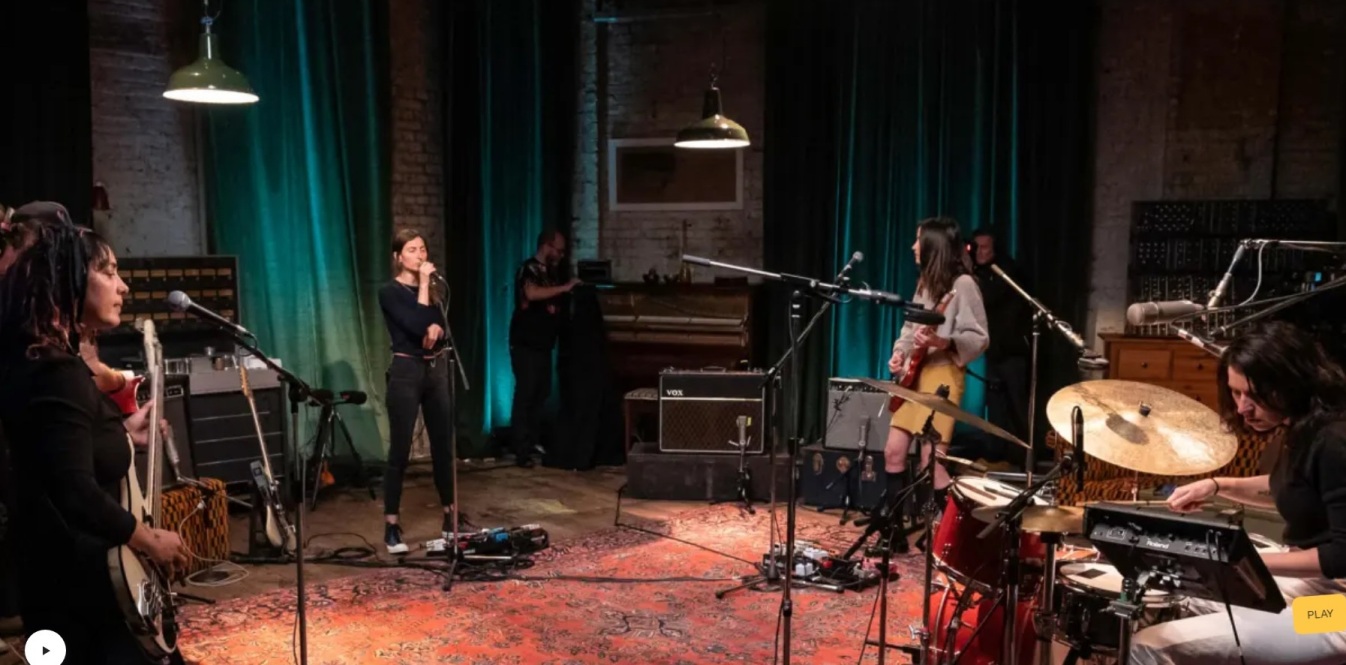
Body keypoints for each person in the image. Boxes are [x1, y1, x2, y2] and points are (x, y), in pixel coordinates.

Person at [0, 220, 189, 664]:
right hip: (81, 591)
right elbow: (73, 489)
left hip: (69, 583)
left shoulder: (46, 360)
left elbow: (59, 449)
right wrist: (148, 540)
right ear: (70, 279)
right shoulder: (54, 370)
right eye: (109, 272)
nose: (122, 286)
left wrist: (123, 433)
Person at [1129, 320, 1346, 664]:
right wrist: (1218, 485)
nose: (1244, 408)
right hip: (1312, 589)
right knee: (1174, 594)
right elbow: (1291, 488)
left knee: (1152, 644)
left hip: (1336, 611)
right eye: (1236, 392)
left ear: (1292, 383)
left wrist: (1246, 563)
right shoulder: (1300, 428)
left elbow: (1341, 557)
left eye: (1255, 395)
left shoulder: (1334, 441)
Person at [884, 217, 989, 550]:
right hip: (915, 375)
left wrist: (942, 343)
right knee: (892, 452)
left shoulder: (965, 285)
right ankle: (893, 534)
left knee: (933, 463)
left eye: (919, 241)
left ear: (934, 246)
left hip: (943, 373)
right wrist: (899, 355)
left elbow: (978, 337)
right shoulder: (925, 284)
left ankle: (955, 536)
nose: (914, 247)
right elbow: (907, 331)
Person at [376, 229, 460, 554]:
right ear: (399, 257)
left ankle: (450, 516)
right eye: (412, 250)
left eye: (423, 248)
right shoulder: (390, 292)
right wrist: (426, 308)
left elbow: (436, 330)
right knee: (399, 451)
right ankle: (392, 525)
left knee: (443, 446)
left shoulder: (436, 291)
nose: (420, 255)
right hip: (406, 372)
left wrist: (435, 326)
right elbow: (413, 324)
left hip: (435, 370)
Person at [508, 229, 579, 468]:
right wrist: (564, 288)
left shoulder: (552, 273)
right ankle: (521, 449)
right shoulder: (527, 269)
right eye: (557, 250)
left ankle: (533, 441)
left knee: (541, 393)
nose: (560, 255)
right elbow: (531, 293)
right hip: (525, 344)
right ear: (546, 246)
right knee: (526, 394)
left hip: (543, 345)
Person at [966, 228, 1031, 464]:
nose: (980, 252)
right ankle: (996, 454)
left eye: (985, 247)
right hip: (994, 351)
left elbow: (990, 297)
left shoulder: (1006, 271)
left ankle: (1022, 457)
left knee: (1017, 405)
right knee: (996, 406)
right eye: (977, 247)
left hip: (1013, 351)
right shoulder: (979, 273)